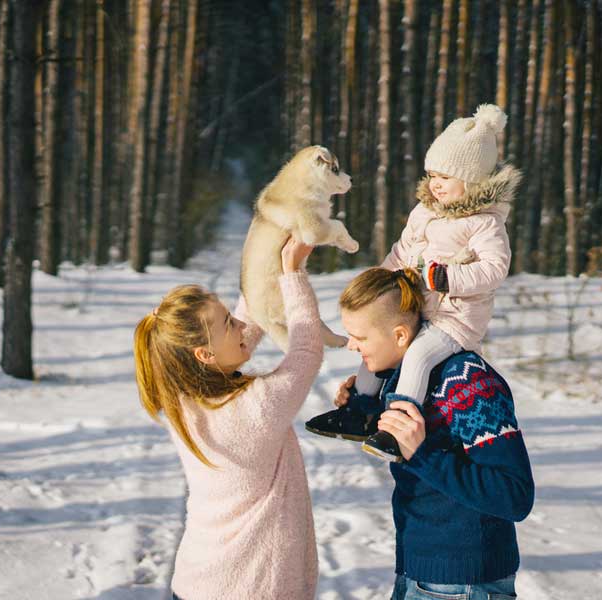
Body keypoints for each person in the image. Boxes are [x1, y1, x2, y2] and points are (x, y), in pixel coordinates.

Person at [306, 103, 523, 462]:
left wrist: (447, 278)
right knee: (377, 345)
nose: (436, 184)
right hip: (417, 308)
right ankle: (360, 410)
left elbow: (494, 269)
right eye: (433, 175)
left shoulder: (485, 223)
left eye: (446, 177)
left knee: (418, 354)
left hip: (456, 319)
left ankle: (396, 428)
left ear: (472, 181)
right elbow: (402, 251)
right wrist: (381, 279)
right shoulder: (423, 213)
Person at [133, 237, 322, 600]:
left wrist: (265, 270)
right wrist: (292, 273)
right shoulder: (258, 408)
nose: (240, 327)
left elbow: (241, 336)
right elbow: (307, 350)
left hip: (196, 583)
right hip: (253, 589)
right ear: (203, 354)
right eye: (228, 323)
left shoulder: (181, 399)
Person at [334, 266, 534, 599]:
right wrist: (359, 407)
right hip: (419, 572)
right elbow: (427, 427)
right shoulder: (405, 379)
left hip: (463, 583)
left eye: (361, 336)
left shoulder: (469, 383)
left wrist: (422, 454)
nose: (352, 346)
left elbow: (515, 496)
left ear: (399, 335)